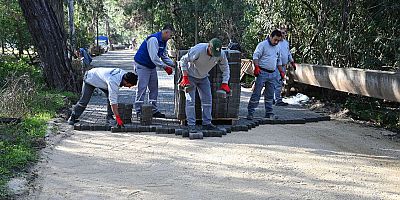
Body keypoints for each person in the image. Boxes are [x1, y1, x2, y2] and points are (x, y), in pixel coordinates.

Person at [179, 38, 231, 133]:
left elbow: (226, 68)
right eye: (213, 52)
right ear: (209, 47)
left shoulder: (221, 54)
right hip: (191, 76)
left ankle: (207, 123)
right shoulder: (198, 49)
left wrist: (225, 83)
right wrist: (185, 77)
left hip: (203, 77)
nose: (214, 55)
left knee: (208, 100)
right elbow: (183, 60)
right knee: (190, 101)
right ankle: (191, 125)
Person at [68, 68, 138, 126]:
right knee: (84, 101)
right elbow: (113, 102)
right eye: (129, 85)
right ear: (126, 82)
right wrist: (118, 118)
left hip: (102, 81)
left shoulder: (125, 75)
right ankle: (73, 117)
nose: (129, 87)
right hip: (90, 78)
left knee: (110, 97)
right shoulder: (114, 81)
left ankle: (109, 118)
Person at [133, 24, 176, 118]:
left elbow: (163, 56)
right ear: (165, 32)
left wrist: (174, 65)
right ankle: (139, 110)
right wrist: (164, 67)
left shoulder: (163, 42)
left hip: (151, 66)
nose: (170, 38)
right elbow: (154, 57)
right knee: (142, 87)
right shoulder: (154, 40)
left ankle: (153, 110)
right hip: (142, 65)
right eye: (170, 35)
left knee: (154, 88)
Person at [247, 30, 283, 120]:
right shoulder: (262, 45)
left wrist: (281, 71)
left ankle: (269, 112)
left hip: (273, 73)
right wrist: (256, 67)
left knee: (270, 94)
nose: (276, 42)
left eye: (278, 40)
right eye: (275, 40)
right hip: (262, 72)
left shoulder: (277, 47)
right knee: (257, 93)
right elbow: (255, 56)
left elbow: (278, 61)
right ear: (270, 36)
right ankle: (250, 112)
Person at [273, 28, 297, 106]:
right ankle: (277, 100)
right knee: (277, 83)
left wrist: (292, 61)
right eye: (281, 33)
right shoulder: (276, 43)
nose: (282, 35)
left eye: (284, 33)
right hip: (276, 66)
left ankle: (274, 99)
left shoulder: (286, 43)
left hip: (283, 66)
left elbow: (288, 53)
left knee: (278, 83)